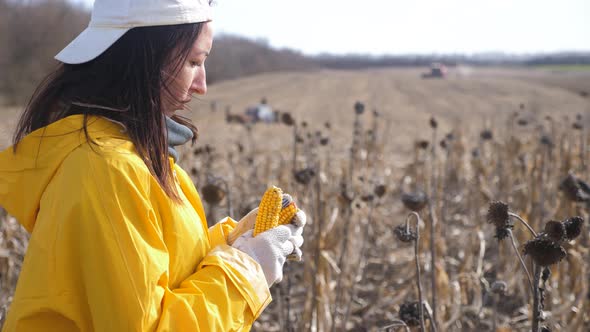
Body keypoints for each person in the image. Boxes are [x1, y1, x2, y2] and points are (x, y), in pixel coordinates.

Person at [0, 0, 305, 330]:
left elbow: (169, 270)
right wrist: (249, 268)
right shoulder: (107, 170)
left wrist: (240, 241)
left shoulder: (141, 159)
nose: (202, 85)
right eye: (193, 62)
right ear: (144, 60)